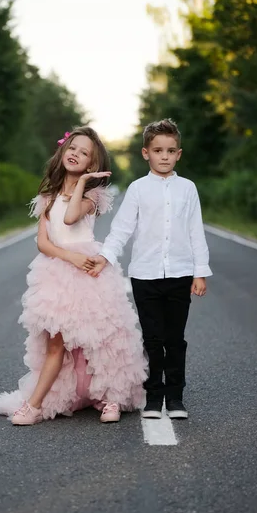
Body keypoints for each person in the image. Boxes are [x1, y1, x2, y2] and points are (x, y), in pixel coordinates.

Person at [0, 126, 147, 425]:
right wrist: (70, 256)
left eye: (84, 153)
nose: (75, 154)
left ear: (92, 164)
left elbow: (71, 217)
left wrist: (83, 183)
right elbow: (43, 242)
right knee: (56, 344)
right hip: (57, 275)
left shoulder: (93, 195)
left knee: (102, 340)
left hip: (89, 274)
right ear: (63, 151)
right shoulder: (47, 196)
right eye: (72, 147)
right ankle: (34, 405)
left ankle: (110, 398)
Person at [89, 119, 212, 419]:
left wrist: (200, 271)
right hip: (145, 276)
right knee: (153, 339)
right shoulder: (138, 189)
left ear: (179, 154)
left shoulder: (188, 189)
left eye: (171, 151)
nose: (165, 156)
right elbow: (121, 229)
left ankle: (176, 398)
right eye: (158, 150)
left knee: (175, 339)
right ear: (146, 153)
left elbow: (196, 230)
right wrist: (105, 255)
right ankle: (154, 397)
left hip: (181, 275)